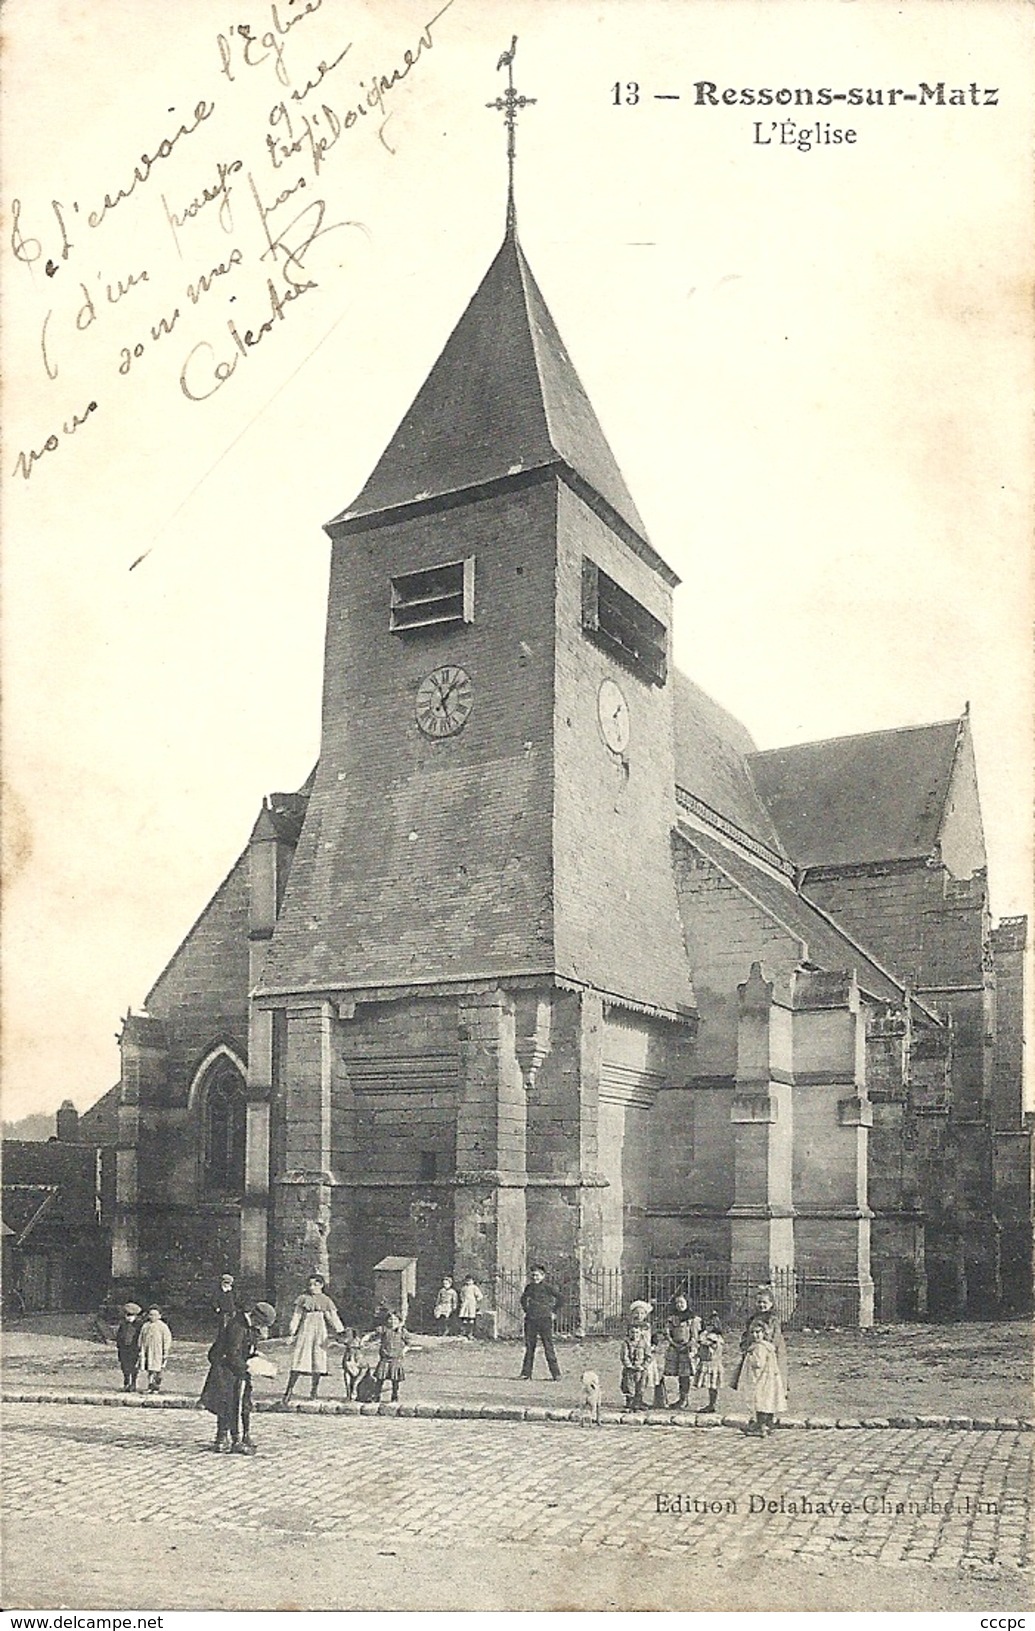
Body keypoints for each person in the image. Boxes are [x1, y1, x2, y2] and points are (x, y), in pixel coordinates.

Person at [200, 1298, 276, 1453]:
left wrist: (257, 1357)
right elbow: (232, 1353)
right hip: (227, 1370)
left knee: (240, 1403)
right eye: (261, 1325)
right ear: (255, 1318)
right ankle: (232, 1440)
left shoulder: (247, 1326)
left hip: (237, 1370)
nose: (260, 1329)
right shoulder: (238, 1326)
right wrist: (248, 1367)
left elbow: (246, 1348)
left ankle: (235, 1437)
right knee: (230, 1403)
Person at [734, 1285, 788, 1437]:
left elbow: (775, 1340)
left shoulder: (773, 1320)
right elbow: (746, 1335)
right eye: (759, 1302)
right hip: (755, 1353)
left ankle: (766, 1421)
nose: (761, 1305)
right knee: (757, 1389)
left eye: (765, 1302)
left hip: (770, 1357)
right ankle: (760, 1421)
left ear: (771, 1304)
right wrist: (746, 1346)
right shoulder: (752, 1319)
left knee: (768, 1390)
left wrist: (766, 1349)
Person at [282, 1274, 345, 1403]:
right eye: (310, 1284)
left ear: (321, 1285)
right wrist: (292, 1332)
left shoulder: (326, 1300)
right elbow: (297, 1316)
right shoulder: (303, 1298)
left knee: (318, 1359)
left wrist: (340, 1331)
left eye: (315, 1284)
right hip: (306, 1329)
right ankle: (289, 1391)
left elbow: (331, 1317)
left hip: (320, 1331)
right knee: (299, 1359)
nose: (312, 1287)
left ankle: (314, 1391)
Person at [519, 1265, 562, 1380]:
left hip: (545, 1319)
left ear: (543, 1276)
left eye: (537, 1275)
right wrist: (527, 1310)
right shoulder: (529, 1287)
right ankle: (526, 1374)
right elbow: (523, 1299)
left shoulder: (548, 1287)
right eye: (532, 1275)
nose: (534, 1278)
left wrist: (553, 1311)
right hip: (531, 1320)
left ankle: (556, 1374)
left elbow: (561, 1298)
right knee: (529, 1347)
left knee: (548, 1346)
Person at [662, 1294, 701, 1409]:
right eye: (677, 1303)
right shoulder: (672, 1318)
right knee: (678, 1374)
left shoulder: (693, 1319)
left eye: (682, 1303)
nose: (679, 1305)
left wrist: (687, 1345)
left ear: (687, 1303)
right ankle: (680, 1398)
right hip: (675, 1348)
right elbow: (667, 1333)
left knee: (685, 1375)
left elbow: (695, 1336)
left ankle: (685, 1399)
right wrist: (673, 1343)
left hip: (686, 1350)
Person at [620, 1300, 656, 1410]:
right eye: (636, 1313)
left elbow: (653, 1339)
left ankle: (639, 1400)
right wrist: (629, 1364)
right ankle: (630, 1401)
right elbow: (625, 1352)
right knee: (629, 1382)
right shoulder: (630, 1327)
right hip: (632, 1359)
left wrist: (652, 1346)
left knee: (643, 1381)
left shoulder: (648, 1326)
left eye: (642, 1313)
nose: (639, 1315)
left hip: (645, 1356)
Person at [372, 1311, 410, 1403]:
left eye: (395, 1319)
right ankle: (376, 1396)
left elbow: (408, 1344)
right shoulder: (384, 1329)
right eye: (390, 1319)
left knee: (395, 1380)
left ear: (399, 1320)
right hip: (385, 1359)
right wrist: (364, 1340)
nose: (392, 1321)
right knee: (380, 1379)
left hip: (395, 1359)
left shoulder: (402, 1331)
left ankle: (394, 1396)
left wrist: (403, 1351)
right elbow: (372, 1335)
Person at [695, 1312, 725, 1414]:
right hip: (706, 1362)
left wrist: (703, 1339)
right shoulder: (706, 1335)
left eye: (711, 1325)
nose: (708, 1327)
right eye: (707, 1325)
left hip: (713, 1364)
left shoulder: (714, 1337)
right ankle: (711, 1403)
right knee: (710, 1385)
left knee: (713, 1385)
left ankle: (712, 1404)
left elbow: (705, 1343)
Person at [138, 1305, 173, 1392]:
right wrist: (141, 1349)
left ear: (159, 1316)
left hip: (158, 1351)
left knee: (158, 1369)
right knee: (150, 1369)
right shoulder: (145, 1326)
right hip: (148, 1350)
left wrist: (165, 1351)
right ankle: (150, 1386)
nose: (152, 1317)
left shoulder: (163, 1327)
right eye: (150, 1314)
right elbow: (141, 1338)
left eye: (155, 1315)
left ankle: (156, 1386)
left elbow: (167, 1339)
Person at [115, 1303, 142, 1391]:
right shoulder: (123, 1325)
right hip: (123, 1349)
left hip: (134, 1349)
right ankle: (126, 1382)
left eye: (130, 1315)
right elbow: (119, 1336)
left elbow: (140, 1337)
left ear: (135, 1315)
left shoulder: (139, 1325)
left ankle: (133, 1383)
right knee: (124, 1366)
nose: (128, 1317)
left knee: (133, 1367)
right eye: (126, 1315)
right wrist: (119, 1345)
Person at [340, 1326, 363, 1401]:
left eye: (348, 1335)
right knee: (347, 1376)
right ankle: (349, 1395)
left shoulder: (358, 1351)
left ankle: (354, 1394)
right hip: (349, 1357)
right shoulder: (347, 1353)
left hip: (355, 1358)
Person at [457, 1275, 483, 1339]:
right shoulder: (464, 1288)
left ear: (473, 1281)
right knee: (464, 1318)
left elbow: (480, 1296)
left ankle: (470, 1334)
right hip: (465, 1304)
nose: (468, 1282)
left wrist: (477, 1301)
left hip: (471, 1304)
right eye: (467, 1280)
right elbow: (461, 1295)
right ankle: (463, 1332)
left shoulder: (474, 1287)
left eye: (470, 1280)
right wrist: (462, 1300)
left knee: (471, 1319)